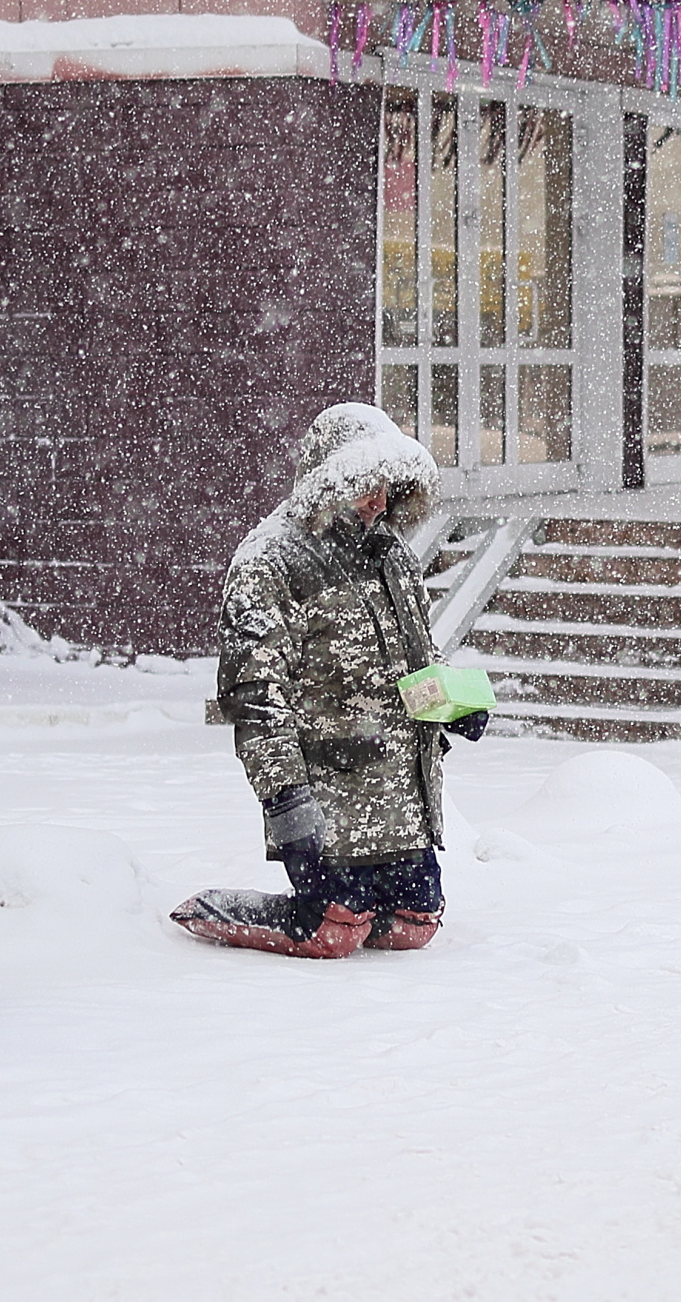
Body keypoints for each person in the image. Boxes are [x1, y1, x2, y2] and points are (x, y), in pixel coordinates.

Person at [170, 402, 487, 959]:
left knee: (415, 926)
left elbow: (415, 667)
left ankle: (363, 905)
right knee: (334, 932)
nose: (378, 502)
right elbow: (256, 699)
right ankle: (215, 910)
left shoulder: (393, 557)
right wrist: (287, 804)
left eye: (387, 487)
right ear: (329, 480)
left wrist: (454, 704)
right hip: (326, 792)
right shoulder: (270, 560)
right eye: (367, 485)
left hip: (400, 795)